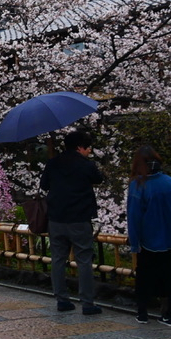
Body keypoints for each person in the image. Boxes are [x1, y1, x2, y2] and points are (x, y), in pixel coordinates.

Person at [41, 128, 106, 315]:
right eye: (88, 148)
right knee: (84, 259)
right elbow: (98, 179)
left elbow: (44, 185)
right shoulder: (86, 165)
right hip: (79, 218)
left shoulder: (53, 163)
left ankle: (62, 299)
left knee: (58, 259)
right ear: (79, 147)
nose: (89, 151)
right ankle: (87, 302)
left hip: (56, 218)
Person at [127, 146, 171, 326]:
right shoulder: (170, 182)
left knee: (144, 276)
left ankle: (143, 313)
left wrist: (134, 242)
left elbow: (134, 216)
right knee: (170, 276)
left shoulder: (138, 185)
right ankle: (170, 314)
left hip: (149, 240)